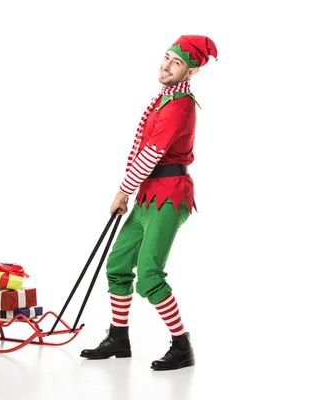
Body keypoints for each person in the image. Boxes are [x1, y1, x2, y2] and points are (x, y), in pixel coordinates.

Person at [80, 35, 218, 371]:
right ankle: (118, 337)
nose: (167, 65)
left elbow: (152, 153)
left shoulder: (180, 105)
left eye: (176, 62)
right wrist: (132, 192)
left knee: (149, 275)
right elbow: (144, 153)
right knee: (118, 265)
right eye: (167, 57)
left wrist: (122, 192)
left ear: (191, 71)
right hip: (148, 194)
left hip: (169, 196)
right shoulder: (163, 100)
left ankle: (182, 345)